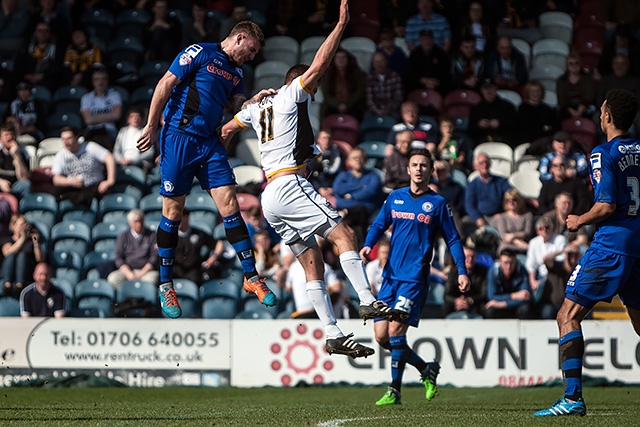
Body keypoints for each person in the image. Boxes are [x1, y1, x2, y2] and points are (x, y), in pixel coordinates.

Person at [221, 0, 406, 358]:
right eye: (313, 86)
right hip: (289, 185)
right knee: (344, 235)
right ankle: (367, 300)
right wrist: (341, 25)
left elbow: (228, 127)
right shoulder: (292, 92)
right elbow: (320, 61)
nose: (315, 91)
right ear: (300, 82)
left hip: (269, 193)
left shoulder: (259, 106)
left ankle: (333, 333)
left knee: (312, 262)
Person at [136, 20, 276, 319]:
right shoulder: (198, 52)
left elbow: (235, 102)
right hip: (179, 137)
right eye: (251, 50)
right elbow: (165, 84)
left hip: (210, 142)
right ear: (239, 38)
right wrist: (150, 124)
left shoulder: (236, 71)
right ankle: (165, 285)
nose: (251, 57)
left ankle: (252, 277)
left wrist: (252, 101)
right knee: (173, 212)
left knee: (231, 206)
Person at [534, 89, 640, 417]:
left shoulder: (602, 153)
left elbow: (606, 204)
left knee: (567, 315)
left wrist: (579, 219)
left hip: (612, 245)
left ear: (606, 116)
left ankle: (572, 398)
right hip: (639, 244)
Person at [359, 148, 469, 406]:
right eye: (414, 165)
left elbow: (452, 238)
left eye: (423, 165)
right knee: (381, 336)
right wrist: (368, 244)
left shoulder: (438, 203)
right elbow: (378, 224)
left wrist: (461, 270)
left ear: (431, 171)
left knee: (396, 330)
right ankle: (425, 368)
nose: (418, 169)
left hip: (414, 279)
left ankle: (394, 391)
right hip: (390, 277)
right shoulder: (395, 198)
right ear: (407, 170)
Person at [51, 126, 115, 207]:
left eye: (69, 138)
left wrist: (109, 180)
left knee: (106, 191)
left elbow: (109, 158)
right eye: (63, 139)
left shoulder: (90, 147)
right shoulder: (61, 155)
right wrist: (70, 182)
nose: (66, 142)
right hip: (75, 188)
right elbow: (56, 179)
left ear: (77, 138)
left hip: (95, 186)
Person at [107, 209, 159, 289]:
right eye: (136, 221)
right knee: (113, 278)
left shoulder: (152, 235)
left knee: (152, 279)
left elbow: (154, 257)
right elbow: (118, 257)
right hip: (127, 270)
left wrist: (141, 273)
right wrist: (129, 274)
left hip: (146, 271)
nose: (139, 224)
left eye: (141, 221)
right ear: (130, 222)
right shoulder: (123, 236)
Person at [174, 209, 225, 285]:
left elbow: (219, 243)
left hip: (194, 270)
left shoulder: (198, 233)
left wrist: (214, 257)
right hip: (176, 268)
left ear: (186, 217)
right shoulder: (171, 236)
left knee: (195, 278)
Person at [525, 215, 568, 299]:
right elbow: (531, 264)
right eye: (541, 228)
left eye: (547, 227)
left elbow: (561, 260)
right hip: (540, 274)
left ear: (552, 228)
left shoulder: (560, 239)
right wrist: (532, 281)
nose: (544, 230)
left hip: (556, 274)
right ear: (537, 231)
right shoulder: (533, 242)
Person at [79, 68, 123, 150]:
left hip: (110, 133)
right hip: (92, 133)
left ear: (107, 81)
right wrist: (109, 116)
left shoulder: (115, 95)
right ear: (93, 82)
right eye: (97, 79)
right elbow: (88, 120)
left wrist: (95, 118)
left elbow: (117, 115)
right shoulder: (86, 98)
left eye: (103, 79)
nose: (100, 82)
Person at [465, 153, 512, 227]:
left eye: (486, 162)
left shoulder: (501, 181)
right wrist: (478, 218)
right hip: (480, 216)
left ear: (490, 164)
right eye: (481, 163)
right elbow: (469, 205)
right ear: (476, 167)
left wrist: (504, 213)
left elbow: (512, 195)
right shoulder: (472, 185)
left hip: (498, 216)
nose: (485, 165)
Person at [1, 214, 43, 298]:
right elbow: (7, 252)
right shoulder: (8, 240)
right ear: (13, 226)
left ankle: (20, 284)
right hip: (8, 271)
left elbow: (40, 259)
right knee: (13, 255)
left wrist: (36, 243)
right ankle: (7, 284)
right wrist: (22, 238)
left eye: (25, 225)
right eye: (21, 225)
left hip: (26, 272)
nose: (23, 228)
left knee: (22, 256)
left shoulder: (29, 242)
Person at [467, 77, 517, 147]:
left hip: (503, 141)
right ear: (481, 90)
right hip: (482, 142)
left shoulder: (507, 106)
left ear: (496, 89)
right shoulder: (476, 108)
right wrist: (478, 124)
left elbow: (515, 125)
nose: (488, 91)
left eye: (491, 88)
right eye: (485, 89)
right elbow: (470, 130)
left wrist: (500, 123)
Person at [484, 248, 533, 319]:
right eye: (505, 263)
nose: (509, 267)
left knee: (525, 309)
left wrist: (503, 304)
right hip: (501, 306)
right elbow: (492, 297)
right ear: (500, 262)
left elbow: (525, 296)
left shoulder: (522, 271)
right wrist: (513, 296)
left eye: (511, 263)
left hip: (515, 306)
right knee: (490, 310)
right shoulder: (493, 272)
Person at [320, 48, 366, 120]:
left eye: (343, 57)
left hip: (352, 105)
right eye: (338, 58)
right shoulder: (328, 75)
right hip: (332, 105)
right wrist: (338, 104)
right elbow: (326, 94)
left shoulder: (356, 73)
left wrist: (346, 104)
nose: (341, 60)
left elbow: (359, 91)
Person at [443, 245, 487, 319]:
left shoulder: (482, 272)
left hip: (475, 305)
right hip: (456, 305)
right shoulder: (453, 272)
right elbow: (447, 295)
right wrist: (457, 301)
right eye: (467, 256)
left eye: (472, 257)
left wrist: (470, 300)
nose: (469, 259)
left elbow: (483, 293)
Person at [538, 243, 580, 320]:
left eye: (575, 254)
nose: (573, 257)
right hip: (552, 305)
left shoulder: (579, 271)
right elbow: (546, 259)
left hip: (570, 306)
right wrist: (563, 250)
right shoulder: (556, 266)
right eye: (570, 254)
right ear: (566, 255)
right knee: (547, 311)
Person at [405, 29, 451, 95]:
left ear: (433, 40)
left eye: (429, 39)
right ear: (420, 41)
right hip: (419, 85)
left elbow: (445, 72)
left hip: (437, 85)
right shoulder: (414, 54)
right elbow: (410, 73)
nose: (427, 42)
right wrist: (423, 80)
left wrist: (435, 82)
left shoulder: (441, 54)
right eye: (424, 39)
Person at [113, 107, 155, 172]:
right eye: (132, 116)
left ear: (142, 119)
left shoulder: (146, 132)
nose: (135, 119)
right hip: (123, 163)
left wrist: (134, 160)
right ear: (128, 119)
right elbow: (116, 151)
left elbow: (150, 152)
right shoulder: (122, 132)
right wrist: (121, 160)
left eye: (138, 116)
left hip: (140, 164)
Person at [556, 52, 597, 120]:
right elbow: (562, 100)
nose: (574, 66)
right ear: (567, 66)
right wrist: (571, 111)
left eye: (576, 63)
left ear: (580, 64)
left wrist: (580, 109)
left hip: (584, 105)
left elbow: (590, 96)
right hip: (568, 107)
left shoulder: (587, 78)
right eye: (571, 64)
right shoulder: (561, 80)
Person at [516, 80, 558, 144]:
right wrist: (543, 128)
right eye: (532, 91)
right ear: (528, 93)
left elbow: (553, 126)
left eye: (538, 91)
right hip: (528, 140)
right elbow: (526, 127)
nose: (535, 94)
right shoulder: (523, 108)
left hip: (546, 140)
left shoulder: (547, 108)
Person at [492, 189, 533, 254]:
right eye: (508, 201)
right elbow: (503, 236)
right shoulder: (502, 217)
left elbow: (527, 233)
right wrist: (519, 242)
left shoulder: (527, 215)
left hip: (524, 247)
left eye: (514, 200)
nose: (511, 202)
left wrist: (513, 235)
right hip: (507, 246)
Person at [306, 128, 343, 200]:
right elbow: (310, 174)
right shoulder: (312, 155)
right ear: (318, 140)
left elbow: (341, 174)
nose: (327, 141)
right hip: (314, 189)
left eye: (329, 138)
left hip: (333, 190)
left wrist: (333, 188)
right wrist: (319, 188)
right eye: (324, 138)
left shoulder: (338, 155)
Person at [365, 52, 404, 118]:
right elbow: (369, 99)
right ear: (373, 64)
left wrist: (387, 109)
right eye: (376, 62)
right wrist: (376, 110)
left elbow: (398, 97)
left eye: (381, 61)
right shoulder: (370, 78)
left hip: (392, 109)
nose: (379, 64)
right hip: (375, 109)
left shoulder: (395, 76)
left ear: (386, 62)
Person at [0, 124, 31, 197]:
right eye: (6, 135)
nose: (10, 137)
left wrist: (17, 156)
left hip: (15, 185)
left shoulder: (23, 152)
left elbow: (23, 178)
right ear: (1, 138)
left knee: (26, 185)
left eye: (12, 134)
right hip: (1, 183)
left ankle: (25, 206)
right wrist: (0, 182)